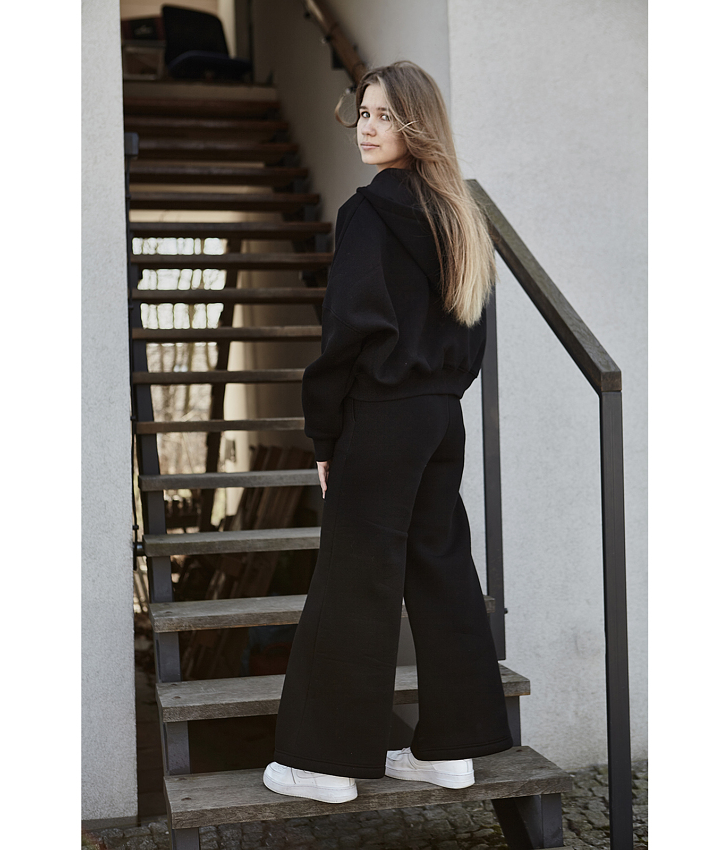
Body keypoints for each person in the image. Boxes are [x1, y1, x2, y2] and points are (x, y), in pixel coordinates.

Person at [263, 61, 513, 804]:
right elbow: (471, 332)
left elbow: (348, 331)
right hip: (439, 415)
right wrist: (436, 400)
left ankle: (326, 764)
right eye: (364, 113)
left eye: (385, 116)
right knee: (441, 570)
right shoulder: (458, 216)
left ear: (417, 125)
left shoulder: (369, 212)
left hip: (382, 417)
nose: (368, 129)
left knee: (355, 577)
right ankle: (451, 751)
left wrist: (325, 433)